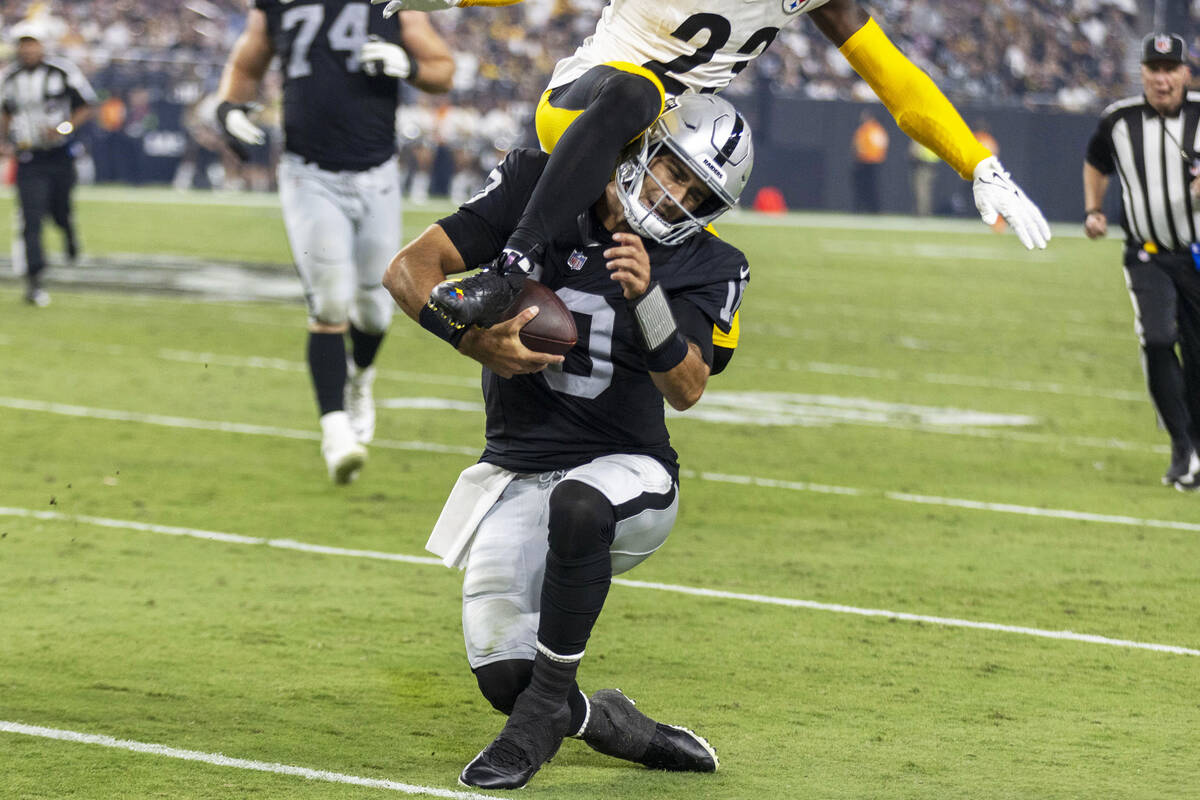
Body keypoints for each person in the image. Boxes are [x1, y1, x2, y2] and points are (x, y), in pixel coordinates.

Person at [382, 93, 752, 790]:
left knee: (579, 505)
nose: (673, 196)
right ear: (644, 147)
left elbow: (690, 386)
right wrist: (470, 338)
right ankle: (608, 721)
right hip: (516, 473)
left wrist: (647, 298)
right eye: (672, 170)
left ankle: (541, 718)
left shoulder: (712, 262)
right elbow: (408, 270)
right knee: (504, 675)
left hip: (629, 473)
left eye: (694, 193)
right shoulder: (539, 189)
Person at [372, 0, 1051, 329]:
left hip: (670, 147)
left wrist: (977, 163)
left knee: (708, 239)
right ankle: (508, 269)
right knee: (637, 90)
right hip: (587, 105)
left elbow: (893, 77)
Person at [215, 1, 454, 484]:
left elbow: (442, 69)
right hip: (308, 172)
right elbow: (246, 64)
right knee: (329, 301)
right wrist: (228, 108)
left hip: (377, 173)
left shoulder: (389, 4)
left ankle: (360, 379)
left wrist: (406, 65)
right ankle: (335, 430)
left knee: (373, 308)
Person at [1083, 32, 1200, 490]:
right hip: (1147, 252)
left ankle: (1194, 440)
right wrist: (1094, 209)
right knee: (1157, 339)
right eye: (1154, 69)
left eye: (1171, 69)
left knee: (1196, 355)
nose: (1163, 79)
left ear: (1186, 73)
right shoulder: (1119, 120)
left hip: (1197, 256)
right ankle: (1181, 446)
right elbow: (1095, 160)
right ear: (1143, 74)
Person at [0, 20, 96, 307]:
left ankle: (68, 232)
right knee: (31, 219)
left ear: (42, 45)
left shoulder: (62, 71)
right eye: (23, 44)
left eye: (32, 44)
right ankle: (34, 281)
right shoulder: (9, 78)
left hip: (59, 154)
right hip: (29, 156)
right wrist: (4, 141)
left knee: (59, 211)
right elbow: (5, 113)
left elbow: (86, 106)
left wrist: (63, 129)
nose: (27, 50)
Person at [851, 108, 888, 212]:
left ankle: (867, 208)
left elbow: (858, 145)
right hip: (874, 160)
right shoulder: (877, 129)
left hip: (867, 160)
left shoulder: (867, 129)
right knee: (870, 187)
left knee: (866, 187)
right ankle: (870, 209)